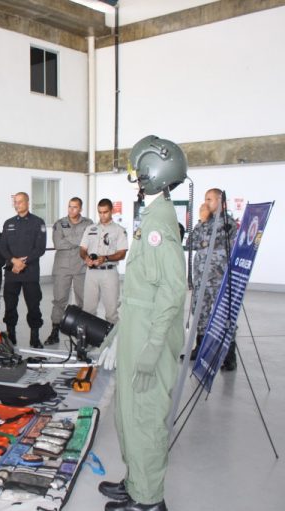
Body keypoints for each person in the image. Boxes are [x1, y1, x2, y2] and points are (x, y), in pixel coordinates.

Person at [97, 135, 188, 511]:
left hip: (150, 335)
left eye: (136, 171)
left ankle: (150, 500)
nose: (132, 178)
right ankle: (136, 481)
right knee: (127, 413)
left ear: (151, 173)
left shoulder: (158, 227)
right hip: (137, 327)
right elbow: (140, 290)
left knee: (145, 416)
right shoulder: (151, 214)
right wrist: (119, 333)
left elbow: (172, 291)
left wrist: (151, 349)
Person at [189, 189, 239, 370]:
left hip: (219, 280)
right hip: (201, 280)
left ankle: (229, 356)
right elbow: (191, 243)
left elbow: (209, 242)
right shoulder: (204, 222)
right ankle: (200, 348)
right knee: (200, 315)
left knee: (224, 317)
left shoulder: (228, 223)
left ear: (220, 201)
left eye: (209, 199)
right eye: (204, 199)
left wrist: (203, 225)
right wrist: (202, 222)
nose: (206, 203)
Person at [0, 192, 46, 348]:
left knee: (33, 305)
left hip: (30, 272)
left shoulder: (38, 222)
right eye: (15, 202)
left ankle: (35, 337)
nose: (17, 204)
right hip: (12, 273)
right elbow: (2, 247)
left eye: (20, 201)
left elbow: (40, 248)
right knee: (10, 305)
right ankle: (11, 337)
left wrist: (23, 263)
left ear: (27, 202)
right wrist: (14, 261)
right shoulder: (8, 223)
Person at [46, 197, 93, 344]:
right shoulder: (60, 223)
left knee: (83, 301)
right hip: (62, 267)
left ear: (80, 209)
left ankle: (82, 333)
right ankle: (55, 331)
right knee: (59, 300)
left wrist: (72, 241)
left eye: (74, 207)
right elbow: (58, 243)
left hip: (81, 267)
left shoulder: (89, 223)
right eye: (69, 207)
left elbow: (90, 242)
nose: (71, 210)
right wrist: (80, 242)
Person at [80, 199, 128, 324]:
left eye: (105, 212)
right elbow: (82, 249)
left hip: (109, 272)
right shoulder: (90, 229)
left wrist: (105, 258)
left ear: (111, 211)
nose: (102, 215)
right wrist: (86, 258)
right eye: (100, 212)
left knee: (111, 312)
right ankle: (88, 341)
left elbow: (122, 254)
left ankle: (112, 342)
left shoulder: (119, 230)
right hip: (91, 273)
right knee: (88, 311)